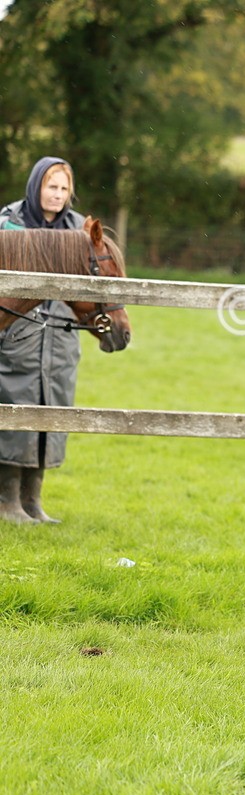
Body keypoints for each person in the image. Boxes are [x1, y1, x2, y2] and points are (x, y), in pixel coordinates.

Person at [0, 157, 86, 523]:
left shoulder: (80, 230)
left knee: (49, 417)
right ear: (36, 186)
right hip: (17, 337)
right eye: (52, 186)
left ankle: (33, 501)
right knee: (13, 410)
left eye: (64, 188)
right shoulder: (9, 223)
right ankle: (7, 501)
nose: (58, 194)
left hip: (60, 340)